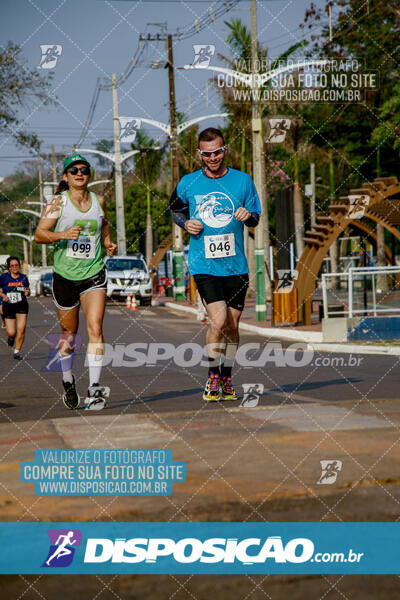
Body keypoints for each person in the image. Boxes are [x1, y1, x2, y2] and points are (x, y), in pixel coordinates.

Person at [170, 127, 261, 401]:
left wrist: (248, 215)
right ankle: (212, 376)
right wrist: (185, 223)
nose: (213, 158)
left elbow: (255, 217)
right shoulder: (188, 182)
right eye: (207, 154)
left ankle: (227, 378)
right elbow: (175, 209)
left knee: (233, 326)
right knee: (219, 320)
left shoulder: (242, 181)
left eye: (217, 152)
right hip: (204, 265)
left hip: (236, 267)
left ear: (225, 150)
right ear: (199, 154)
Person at [34, 154, 117, 410]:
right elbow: (39, 234)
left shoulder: (99, 200)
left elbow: (104, 224)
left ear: (88, 174)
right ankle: (68, 380)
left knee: (95, 329)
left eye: (84, 170)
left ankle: (94, 389)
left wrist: (107, 243)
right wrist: (62, 234)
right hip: (65, 277)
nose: (79, 173)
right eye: (74, 170)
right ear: (65, 176)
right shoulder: (57, 203)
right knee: (69, 334)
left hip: (93, 274)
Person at [0, 257, 30, 360]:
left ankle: (17, 352)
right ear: (9, 267)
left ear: (19, 266)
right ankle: (11, 338)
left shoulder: (24, 277)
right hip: (9, 306)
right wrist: (3, 296)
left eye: (16, 265)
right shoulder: (4, 278)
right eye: (12, 266)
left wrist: (27, 292)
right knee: (11, 332)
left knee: (21, 330)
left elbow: (27, 290)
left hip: (21, 305)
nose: (14, 267)